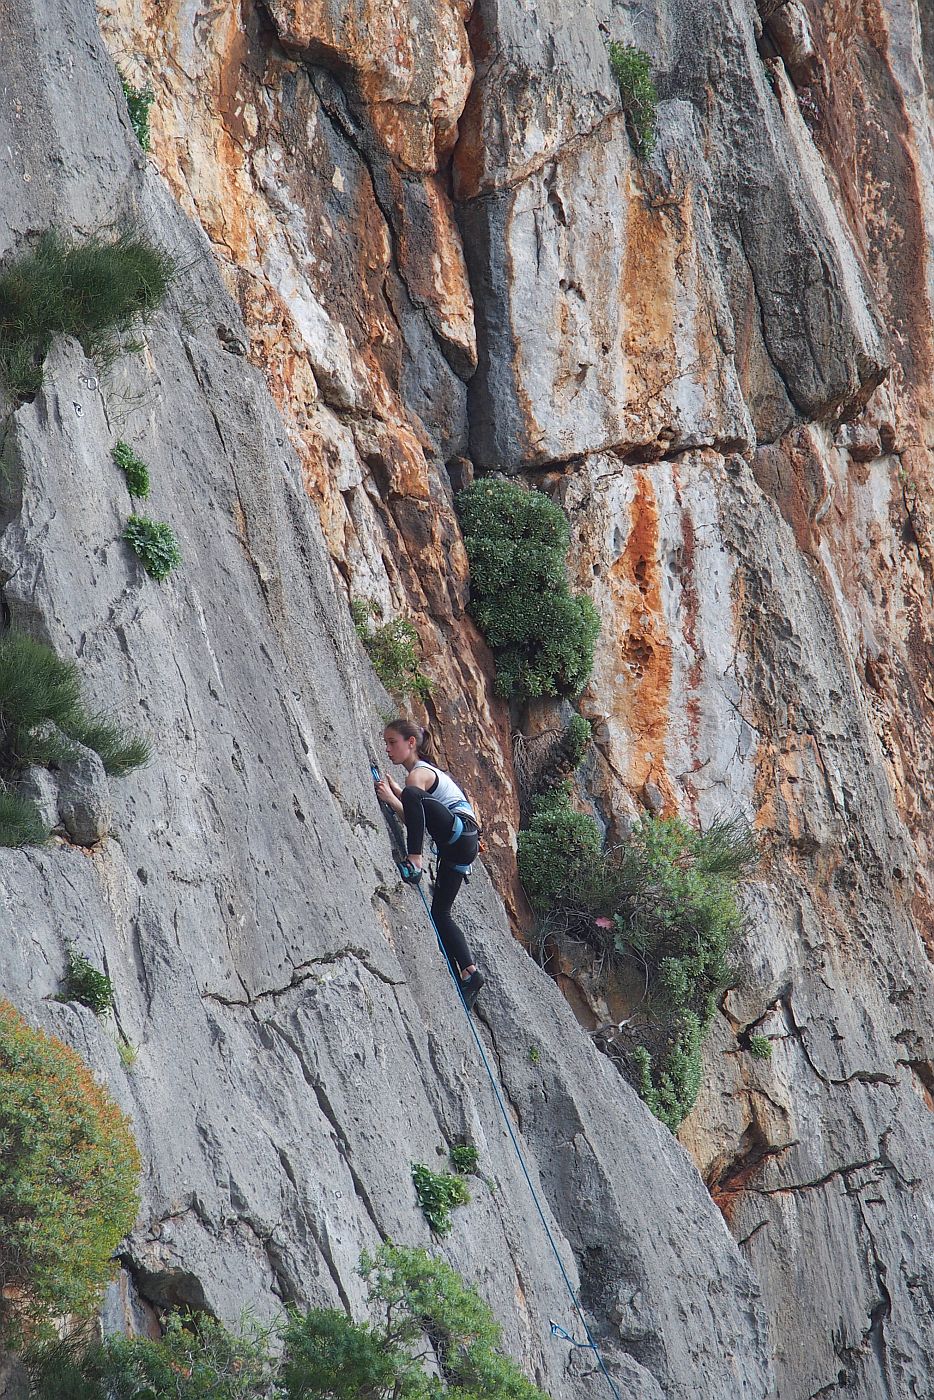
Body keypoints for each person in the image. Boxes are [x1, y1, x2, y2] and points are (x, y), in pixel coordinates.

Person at [374, 719, 485, 1011]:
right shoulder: (419, 778)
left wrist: (393, 796)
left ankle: (415, 860)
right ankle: (470, 973)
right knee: (440, 913)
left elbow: (415, 816)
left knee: (410, 794)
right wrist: (397, 794)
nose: (388, 749)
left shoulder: (419, 775)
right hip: (460, 847)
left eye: (392, 742)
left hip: (459, 834)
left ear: (411, 743)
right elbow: (421, 813)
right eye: (386, 743)